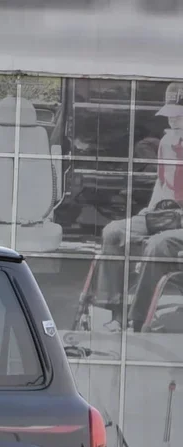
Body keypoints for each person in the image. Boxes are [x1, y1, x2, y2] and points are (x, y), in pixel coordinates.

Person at [96, 82, 183, 331]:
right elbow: (161, 182)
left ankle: (138, 320)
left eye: (178, 114)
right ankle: (115, 312)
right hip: (165, 212)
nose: (173, 119)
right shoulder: (167, 142)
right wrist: (149, 212)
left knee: (159, 244)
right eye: (170, 114)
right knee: (113, 231)